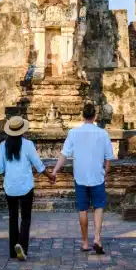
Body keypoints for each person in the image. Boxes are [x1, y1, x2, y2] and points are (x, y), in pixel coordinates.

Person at [50, 102, 114, 254]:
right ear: (95, 116)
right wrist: (105, 173)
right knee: (98, 207)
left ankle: (85, 242)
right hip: (97, 176)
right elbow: (108, 159)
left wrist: (54, 171)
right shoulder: (103, 133)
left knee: (83, 209)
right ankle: (97, 238)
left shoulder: (73, 133)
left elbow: (64, 155)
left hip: (80, 176)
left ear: (82, 115)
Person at [0, 115, 48, 261]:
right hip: (26, 187)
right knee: (25, 219)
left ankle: (13, 251)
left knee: (12, 218)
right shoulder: (28, 145)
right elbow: (38, 165)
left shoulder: (2, 146)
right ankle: (22, 247)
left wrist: (9, 175)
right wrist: (50, 176)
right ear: (22, 130)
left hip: (10, 187)